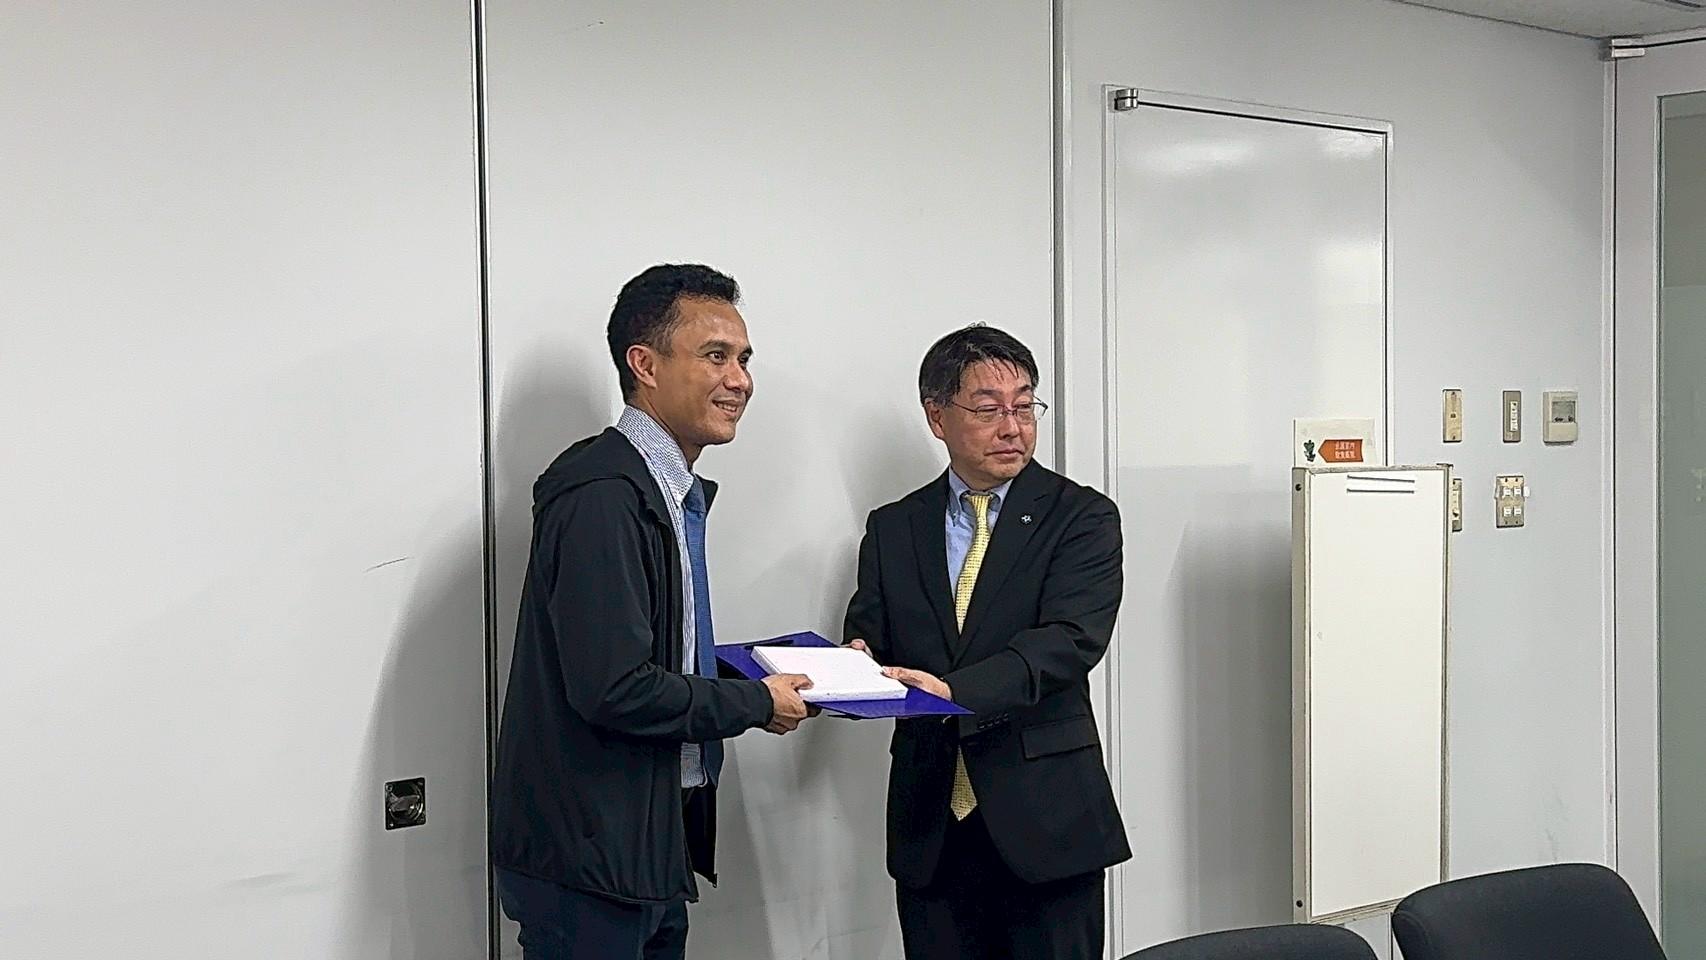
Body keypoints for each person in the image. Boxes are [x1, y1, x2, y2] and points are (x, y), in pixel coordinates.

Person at [490, 263, 814, 960]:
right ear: (645, 365)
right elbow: (615, 686)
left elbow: (661, 650)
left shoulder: (662, 489)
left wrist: (792, 675)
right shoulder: (605, 494)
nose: (739, 380)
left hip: (644, 844)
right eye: (716, 356)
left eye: (745, 359)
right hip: (590, 859)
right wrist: (757, 702)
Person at [844, 323, 1130, 960]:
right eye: (988, 409)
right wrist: (854, 662)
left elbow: (1070, 641)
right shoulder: (894, 526)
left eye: (1024, 407)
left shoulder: (1080, 517)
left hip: (1047, 820)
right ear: (937, 416)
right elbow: (869, 628)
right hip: (931, 824)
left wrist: (954, 691)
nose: (1013, 427)